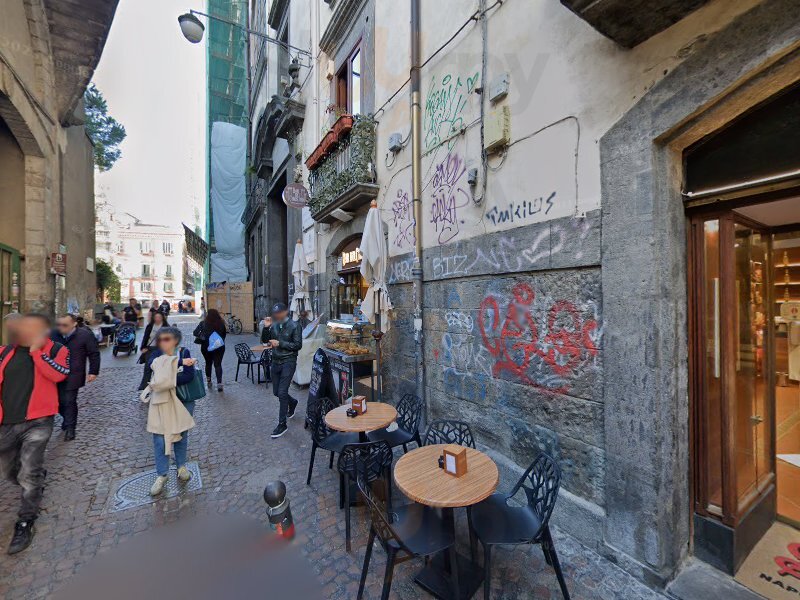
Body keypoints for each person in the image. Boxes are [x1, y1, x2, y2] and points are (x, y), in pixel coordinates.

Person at [0, 313, 70, 554]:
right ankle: (36, 478)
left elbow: (60, 374)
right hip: (6, 422)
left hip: (39, 422)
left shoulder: (55, 350)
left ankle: (25, 521)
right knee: (9, 471)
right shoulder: (4, 352)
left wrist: (36, 352)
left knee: (29, 474)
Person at [141, 327, 196, 496]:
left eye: (167, 339)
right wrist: (176, 368)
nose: (163, 342)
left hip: (182, 400)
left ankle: (181, 466)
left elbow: (188, 375)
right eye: (161, 339)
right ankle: (162, 474)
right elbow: (153, 368)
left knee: (181, 434)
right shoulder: (155, 355)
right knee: (159, 437)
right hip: (161, 402)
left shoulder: (184, 351)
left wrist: (166, 379)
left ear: (176, 340)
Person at [50, 314, 100, 441]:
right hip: (55, 374)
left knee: (69, 401)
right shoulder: (53, 334)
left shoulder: (85, 335)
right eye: (59, 325)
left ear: (74, 324)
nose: (61, 328)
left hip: (74, 374)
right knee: (59, 402)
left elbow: (93, 353)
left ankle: (70, 428)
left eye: (65, 325)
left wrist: (93, 371)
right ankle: (66, 419)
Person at [261, 302, 302, 439]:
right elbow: (265, 341)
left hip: (288, 361)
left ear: (285, 312)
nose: (277, 316)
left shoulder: (295, 325)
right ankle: (292, 402)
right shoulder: (274, 326)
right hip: (276, 361)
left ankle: (282, 424)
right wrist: (266, 328)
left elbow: (297, 345)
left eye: (279, 313)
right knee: (276, 392)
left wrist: (281, 343)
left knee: (282, 392)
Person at [196, 309, 226, 392]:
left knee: (208, 363)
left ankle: (209, 381)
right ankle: (219, 383)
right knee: (218, 364)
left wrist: (202, 336)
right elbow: (224, 334)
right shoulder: (221, 323)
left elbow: (195, 332)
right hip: (219, 347)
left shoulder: (203, 323)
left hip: (206, 346)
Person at [138, 311, 169, 392]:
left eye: (159, 317)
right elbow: (145, 337)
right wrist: (143, 347)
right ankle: (144, 388)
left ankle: (158, 387)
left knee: (158, 369)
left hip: (161, 350)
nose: (157, 319)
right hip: (150, 349)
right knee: (148, 368)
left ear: (162, 318)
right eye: (156, 317)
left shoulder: (166, 327)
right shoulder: (150, 326)